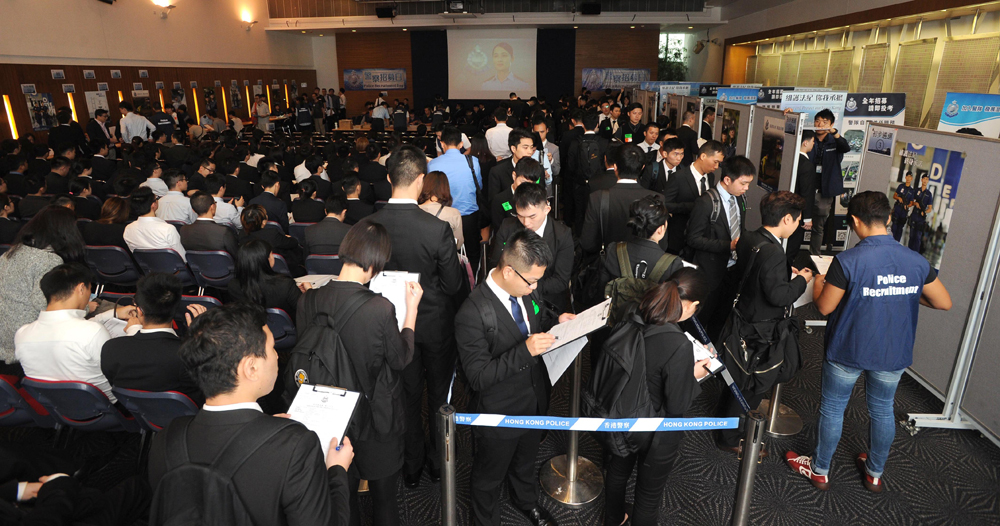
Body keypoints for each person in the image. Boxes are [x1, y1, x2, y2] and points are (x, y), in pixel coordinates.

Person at [786, 191, 952, 492]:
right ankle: (875, 472)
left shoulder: (847, 261)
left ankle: (820, 470)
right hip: (893, 351)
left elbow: (824, 307)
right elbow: (943, 302)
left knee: (833, 408)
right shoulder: (916, 261)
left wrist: (821, 282)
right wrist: (903, 292)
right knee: (883, 409)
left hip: (848, 348)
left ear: (854, 221)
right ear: (888, 219)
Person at [148, 302, 353, 525]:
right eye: (272, 348)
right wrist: (337, 471)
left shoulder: (166, 439)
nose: (277, 357)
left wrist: (264, 430)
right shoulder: (296, 445)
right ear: (251, 368)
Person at [293, 221, 421, 526]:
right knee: (384, 500)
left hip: (330, 415)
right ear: (376, 262)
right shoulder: (380, 308)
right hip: (375, 417)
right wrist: (412, 309)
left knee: (341, 496)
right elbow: (400, 358)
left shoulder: (307, 299)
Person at [456, 230, 575, 526]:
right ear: (509, 271)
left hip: (533, 401)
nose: (536, 287)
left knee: (525, 462)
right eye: (531, 280)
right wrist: (525, 351)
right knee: (489, 476)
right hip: (499, 412)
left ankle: (526, 501)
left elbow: (536, 318)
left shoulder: (527, 290)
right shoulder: (472, 313)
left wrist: (556, 320)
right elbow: (478, 376)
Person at [367, 145, 464, 489]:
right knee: (439, 396)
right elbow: (453, 284)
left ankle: (411, 465)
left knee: (404, 396)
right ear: (421, 180)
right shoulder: (436, 228)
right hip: (435, 325)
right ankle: (438, 463)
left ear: (388, 178)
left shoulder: (369, 225)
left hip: (391, 326)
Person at [604, 269, 711, 526]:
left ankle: (614, 518)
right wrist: (694, 374)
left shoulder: (633, 310)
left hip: (621, 411)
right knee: (648, 496)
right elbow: (676, 404)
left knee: (617, 471)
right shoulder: (678, 344)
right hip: (656, 431)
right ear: (692, 305)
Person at [715, 191, 812, 452]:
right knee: (753, 385)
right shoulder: (774, 252)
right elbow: (780, 296)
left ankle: (725, 427)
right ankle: (730, 439)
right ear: (787, 219)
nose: (797, 225)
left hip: (742, 316)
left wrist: (783, 272)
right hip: (761, 329)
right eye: (798, 220)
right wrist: (801, 280)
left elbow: (758, 272)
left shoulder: (750, 237)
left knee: (738, 378)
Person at [0, 206, 84, 374]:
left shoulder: (10, 253)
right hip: (23, 341)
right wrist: (85, 308)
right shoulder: (48, 260)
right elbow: (45, 304)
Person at [100, 273, 205, 405]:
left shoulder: (110, 349)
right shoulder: (187, 354)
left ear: (139, 311)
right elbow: (207, 391)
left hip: (136, 413)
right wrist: (201, 341)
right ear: (176, 308)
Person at [15, 263, 116, 401]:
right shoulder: (93, 332)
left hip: (56, 407)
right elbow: (116, 374)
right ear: (81, 289)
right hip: (106, 405)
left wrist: (107, 315)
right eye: (90, 290)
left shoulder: (22, 334)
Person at [686, 155, 754, 336]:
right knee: (700, 319)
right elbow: (693, 239)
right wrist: (728, 245)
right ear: (727, 179)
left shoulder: (740, 199)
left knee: (722, 318)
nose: (746, 188)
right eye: (743, 183)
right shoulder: (706, 202)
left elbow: (740, 228)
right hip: (709, 272)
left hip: (732, 270)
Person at [489, 183, 574, 311]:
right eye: (520, 216)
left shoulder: (562, 235)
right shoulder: (507, 227)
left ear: (546, 209)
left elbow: (561, 280)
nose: (526, 223)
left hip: (547, 300)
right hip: (511, 296)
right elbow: (496, 264)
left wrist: (528, 286)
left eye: (532, 216)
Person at [580, 144, 661, 256]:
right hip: (644, 261)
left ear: (615, 167)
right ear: (642, 167)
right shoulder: (657, 199)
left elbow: (587, 243)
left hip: (609, 260)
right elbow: (661, 244)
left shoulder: (597, 197)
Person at [426, 127, 484, 270]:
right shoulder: (473, 161)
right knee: (472, 253)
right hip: (469, 217)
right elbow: (479, 186)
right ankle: (472, 279)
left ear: (442, 144)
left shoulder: (433, 164)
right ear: (461, 144)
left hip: (442, 216)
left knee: (444, 255)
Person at [664, 140, 724, 256]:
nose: (716, 167)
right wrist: (692, 206)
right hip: (679, 237)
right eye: (715, 162)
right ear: (703, 156)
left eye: (719, 163)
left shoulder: (710, 177)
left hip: (701, 238)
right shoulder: (678, 177)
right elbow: (665, 204)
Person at [228, 239, 308, 318]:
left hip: (253, 325)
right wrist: (309, 293)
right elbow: (307, 312)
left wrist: (294, 292)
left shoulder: (233, 286)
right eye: (271, 254)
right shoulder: (285, 284)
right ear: (266, 260)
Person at [808, 109, 851, 255]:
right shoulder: (808, 137)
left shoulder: (835, 141)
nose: (820, 124)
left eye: (825, 122)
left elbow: (846, 147)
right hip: (805, 188)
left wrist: (835, 133)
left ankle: (814, 256)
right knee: (797, 222)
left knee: (818, 227)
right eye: (817, 121)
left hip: (824, 191)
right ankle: (791, 256)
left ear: (831, 124)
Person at [566, 113, 610, 233]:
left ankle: (580, 236)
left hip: (579, 183)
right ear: (597, 125)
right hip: (599, 183)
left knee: (580, 212)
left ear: (583, 125)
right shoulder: (604, 142)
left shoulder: (575, 142)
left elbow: (570, 165)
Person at [239, 205, 303, 276]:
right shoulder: (272, 234)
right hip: (281, 272)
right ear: (263, 222)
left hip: (254, 274)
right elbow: (293, 243)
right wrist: (288, 237)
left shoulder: (241, 235)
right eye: (266, 215)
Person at [787, 130, 817, 267]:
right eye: (812, 141)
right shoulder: (807, 165)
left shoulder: (790, 159)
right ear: (805, 143)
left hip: (784, 207)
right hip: (797, 211)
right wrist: (807, 217)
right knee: (793, 245)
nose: (813, 144)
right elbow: (807, 193)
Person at [489, 157, 542, 234]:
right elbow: (499, 230)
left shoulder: (537, 198)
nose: (526, 187)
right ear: (514, 176)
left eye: (530, 184)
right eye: (523, 182)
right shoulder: (500, 200)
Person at [180, 191, 240, 256]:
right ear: (212, 207)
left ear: (193, 210)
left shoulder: (184, 230)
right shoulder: (224, 232)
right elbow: (236, 255)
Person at [488, 128, 537, 204]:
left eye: (531, 148)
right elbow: (494, 202)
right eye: (525, 147)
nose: (530, 152)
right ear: (513, 148)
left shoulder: (537, 168)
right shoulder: (498, 171)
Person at [418, 170, 464, 249]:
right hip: (444, 255)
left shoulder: (413, 210)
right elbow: (458, 244)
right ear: (445, 189)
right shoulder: (453, 213)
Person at [907, 174, 933, 253]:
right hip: (914, 215)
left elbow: (930, 208)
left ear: (928, 181)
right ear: (921, 180)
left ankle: (915, 255)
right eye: (924, 179)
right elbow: (911, 202)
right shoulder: (916, 190)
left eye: (927, 179)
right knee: (911, 236)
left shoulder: (929, 194)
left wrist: (924, 212)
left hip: (921, 218)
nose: (925, 180)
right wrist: (915, 203)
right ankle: (909, 253)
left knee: (918, 238)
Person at [890, 171, 914, 242]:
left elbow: (911, 203)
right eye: (907, 176)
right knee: (894, 226)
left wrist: (907, 206)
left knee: (900, 229)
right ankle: (891, 241)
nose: (908, 178)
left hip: (904, 211)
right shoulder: (901, 186)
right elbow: (894, 196)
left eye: (910, 177)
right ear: (905, 177)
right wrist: (899, 198)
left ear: (911, 179)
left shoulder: (912, 191)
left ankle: (896, 243)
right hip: (897, 208)